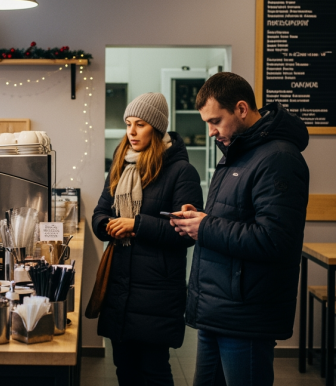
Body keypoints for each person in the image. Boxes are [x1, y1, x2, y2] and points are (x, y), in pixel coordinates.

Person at [170, 72, 310, 386]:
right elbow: (235, 220)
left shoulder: (279, 158)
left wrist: (205, 227)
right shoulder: (237, 154)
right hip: (218, 311)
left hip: (246, 316)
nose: (210, 132)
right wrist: (199, 219)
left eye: (215, 121)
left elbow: (275, 240)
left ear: (242, 109)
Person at [92, 92, 203, 386]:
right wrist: (108, 225)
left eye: (140, 124)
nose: (131, 131)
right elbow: (100, 214)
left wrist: (136, 225)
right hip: (120, 286)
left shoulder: (182, 172)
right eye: (128, 123)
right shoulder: (121, 164)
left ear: (156, 128)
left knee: (153, 371)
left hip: (157, 289)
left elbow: (186, 233)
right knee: (124, 369)